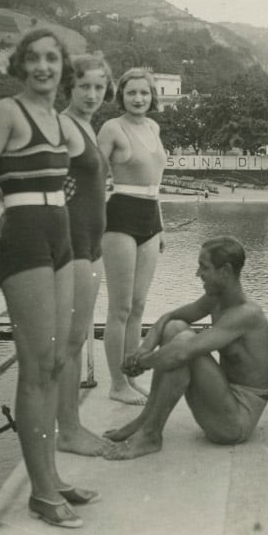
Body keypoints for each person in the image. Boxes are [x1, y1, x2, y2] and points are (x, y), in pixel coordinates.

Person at [0, 29, 93, 530]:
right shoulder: (6, 113)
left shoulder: (58, 121)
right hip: (25, 238)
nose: (43, 67)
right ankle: (40, 493)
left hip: (60, 235)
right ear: (21, 65)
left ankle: (52, 478)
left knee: (57, 361)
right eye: (33, 59)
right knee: (36, 367)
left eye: (52, 59)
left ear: (63, 68)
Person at [103, 236, 268, 459]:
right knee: (176, 328)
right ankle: (145, 420)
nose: (198, 274)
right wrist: (143, 349)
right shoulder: (216, 299)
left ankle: (151, 435)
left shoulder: (246, 314)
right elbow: (169, 318)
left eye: (204, 267)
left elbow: (182, 352)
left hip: (236, 423)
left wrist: (141, 363)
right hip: (223, 400)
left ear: (225, 271)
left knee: (183, 347)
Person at [98, 68, 168, 406]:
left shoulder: (154, 127)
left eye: (144, 93)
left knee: (139, 305)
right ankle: (116, 383)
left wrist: (162, 225)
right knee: (120, 307)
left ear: (152, 96)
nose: (138, 99)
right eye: (131, 93)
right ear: (121, 95)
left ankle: (130, 374)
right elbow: (93, 179)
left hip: (151, 218)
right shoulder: (112, 128)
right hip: (121, 218)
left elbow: (155, 183)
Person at [57, 54, 114, 457]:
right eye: (84, 87)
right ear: (69, 88)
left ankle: (69, 425)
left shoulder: (86, 126)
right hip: (73, 246)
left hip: (92, 246)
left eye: (98, 87)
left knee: (76, 340)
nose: (92, 94)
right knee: (69, 342)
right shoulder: (63, 126)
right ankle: (68, 429)